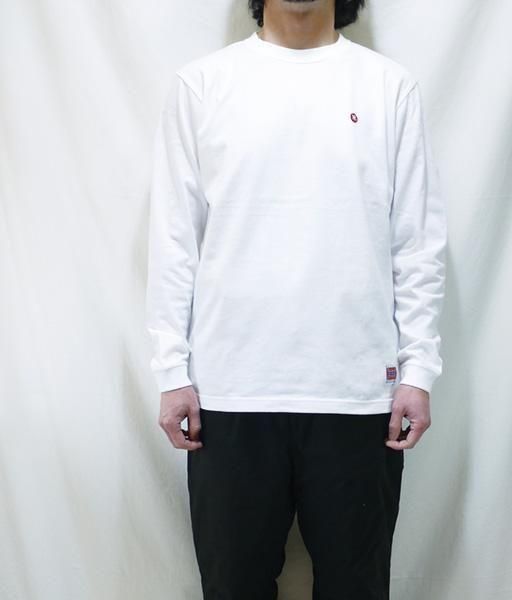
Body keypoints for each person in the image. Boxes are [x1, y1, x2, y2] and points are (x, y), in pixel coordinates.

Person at [145, 0, 447, 598]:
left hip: (359, 394)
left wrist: (419, 370)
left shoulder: (388, 87)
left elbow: (416, 243)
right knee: (233, 588)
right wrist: (170, 370)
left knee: (356, 588)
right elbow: (174, 240)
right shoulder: (203, 85)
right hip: (229, 393)